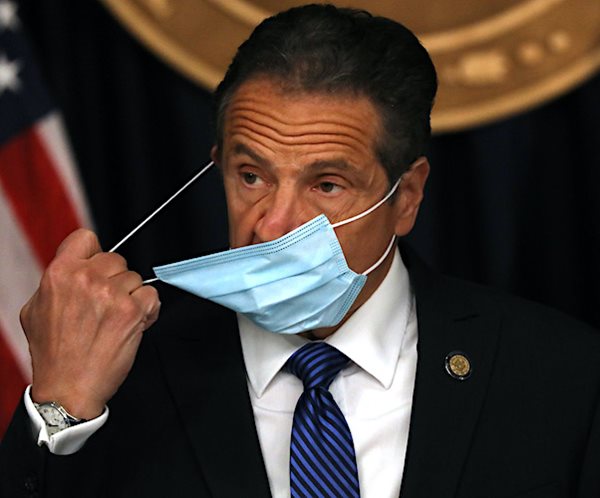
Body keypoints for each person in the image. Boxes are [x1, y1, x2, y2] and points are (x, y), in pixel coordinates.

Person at [1, 4, 600, 498]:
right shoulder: (124, 375)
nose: (275, 225)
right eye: (252, 176)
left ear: (407, 197)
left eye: (327, 185)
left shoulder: (559, 372)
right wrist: (61, 409)